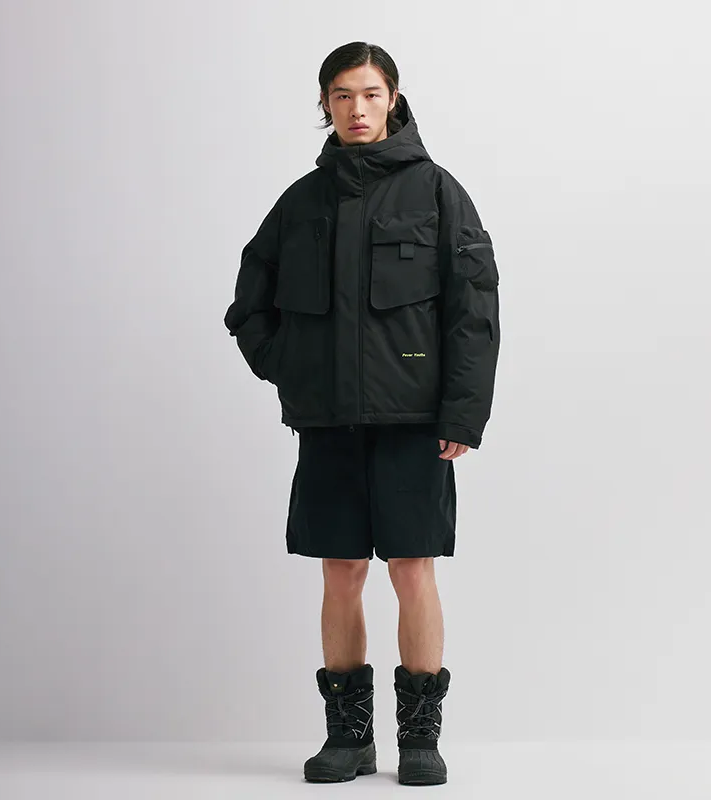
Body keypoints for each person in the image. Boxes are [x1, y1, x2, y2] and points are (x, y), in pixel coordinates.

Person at [223, 41, 500, 785]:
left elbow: (474, 311)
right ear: (325, 104)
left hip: (415, 424)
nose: (357, 108)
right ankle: (347, 738)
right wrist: (292, 369)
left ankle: (420, 739)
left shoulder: (438, 192)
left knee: (413, 568)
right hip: (329, 425)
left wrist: (462, 414)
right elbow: (249, 302)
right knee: (341, 570)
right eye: (342, 95)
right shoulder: (300, 203)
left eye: (371, 94)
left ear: (394, 99)